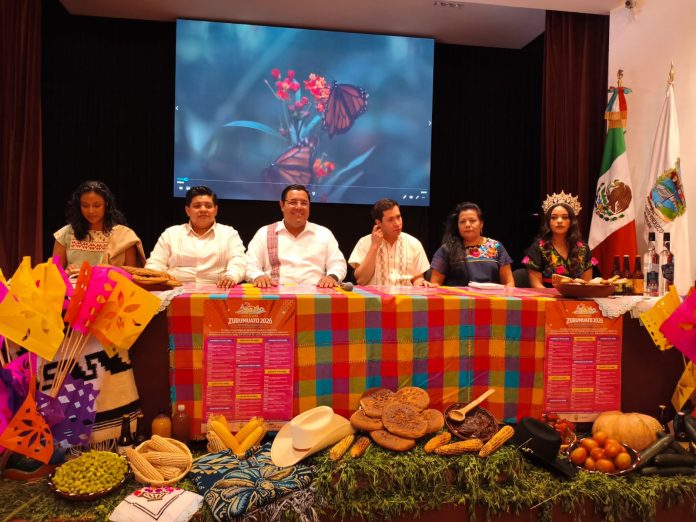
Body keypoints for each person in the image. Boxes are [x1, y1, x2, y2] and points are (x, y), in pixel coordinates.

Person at [245, 184, 347, 287]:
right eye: (293, 202)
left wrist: (332, 277)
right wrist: (258, 276)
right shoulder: (265, 232)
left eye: (304, 203)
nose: (299, 207)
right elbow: (249, 263)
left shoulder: (324, 233)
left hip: (316, 293)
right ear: (281, 205)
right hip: (275, 293)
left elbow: (338, 264)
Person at [145, 186, 246, 288]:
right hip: (174, 289)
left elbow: (238, 261)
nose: (203, 209)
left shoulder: (229, 233)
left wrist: (230, 277)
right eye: (197, 206)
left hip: (219, 289)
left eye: (208, 206)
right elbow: (156, 262)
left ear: (216, 210)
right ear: (187, 210)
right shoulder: (171, 233)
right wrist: (152, 277)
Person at [53, 180, 145, 275]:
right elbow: (53, 275)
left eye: (97, 205)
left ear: (106, 204)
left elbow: (131, 276)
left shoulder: (125, 236)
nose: (91, 211)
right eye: (85, 206)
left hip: (112, 285)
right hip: (73, 284)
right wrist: (66, 273)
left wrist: (106, 271)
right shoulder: (64, 234)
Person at [348, 198, 432, 286]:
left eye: (398, 217)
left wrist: (421, 283)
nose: (397, 223)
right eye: (390, 220)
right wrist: (374, 246)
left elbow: (418, 278)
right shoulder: (364, 243)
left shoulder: (414, 243)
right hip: (374, 294)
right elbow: (361, 280)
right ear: (378, 222)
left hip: (404, 294)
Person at [522, 192, 597, 288]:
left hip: (577, 296)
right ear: (548, 222)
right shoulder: (538, 248)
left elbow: (587, 284)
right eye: (554, 218)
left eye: (565, 217)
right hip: (547, 295)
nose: (559, 221)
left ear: (571, 222)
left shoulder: (583, 248)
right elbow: (536, 284)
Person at [430, 202, 514, 287]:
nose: (467, 225)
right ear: (457, 226)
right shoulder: (448, 249)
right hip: (457, 295)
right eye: (462, 222)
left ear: (481, 224)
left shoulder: (496, 246)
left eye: (472, 220)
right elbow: (435, 284)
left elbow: (508, 283)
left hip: (492, 295)